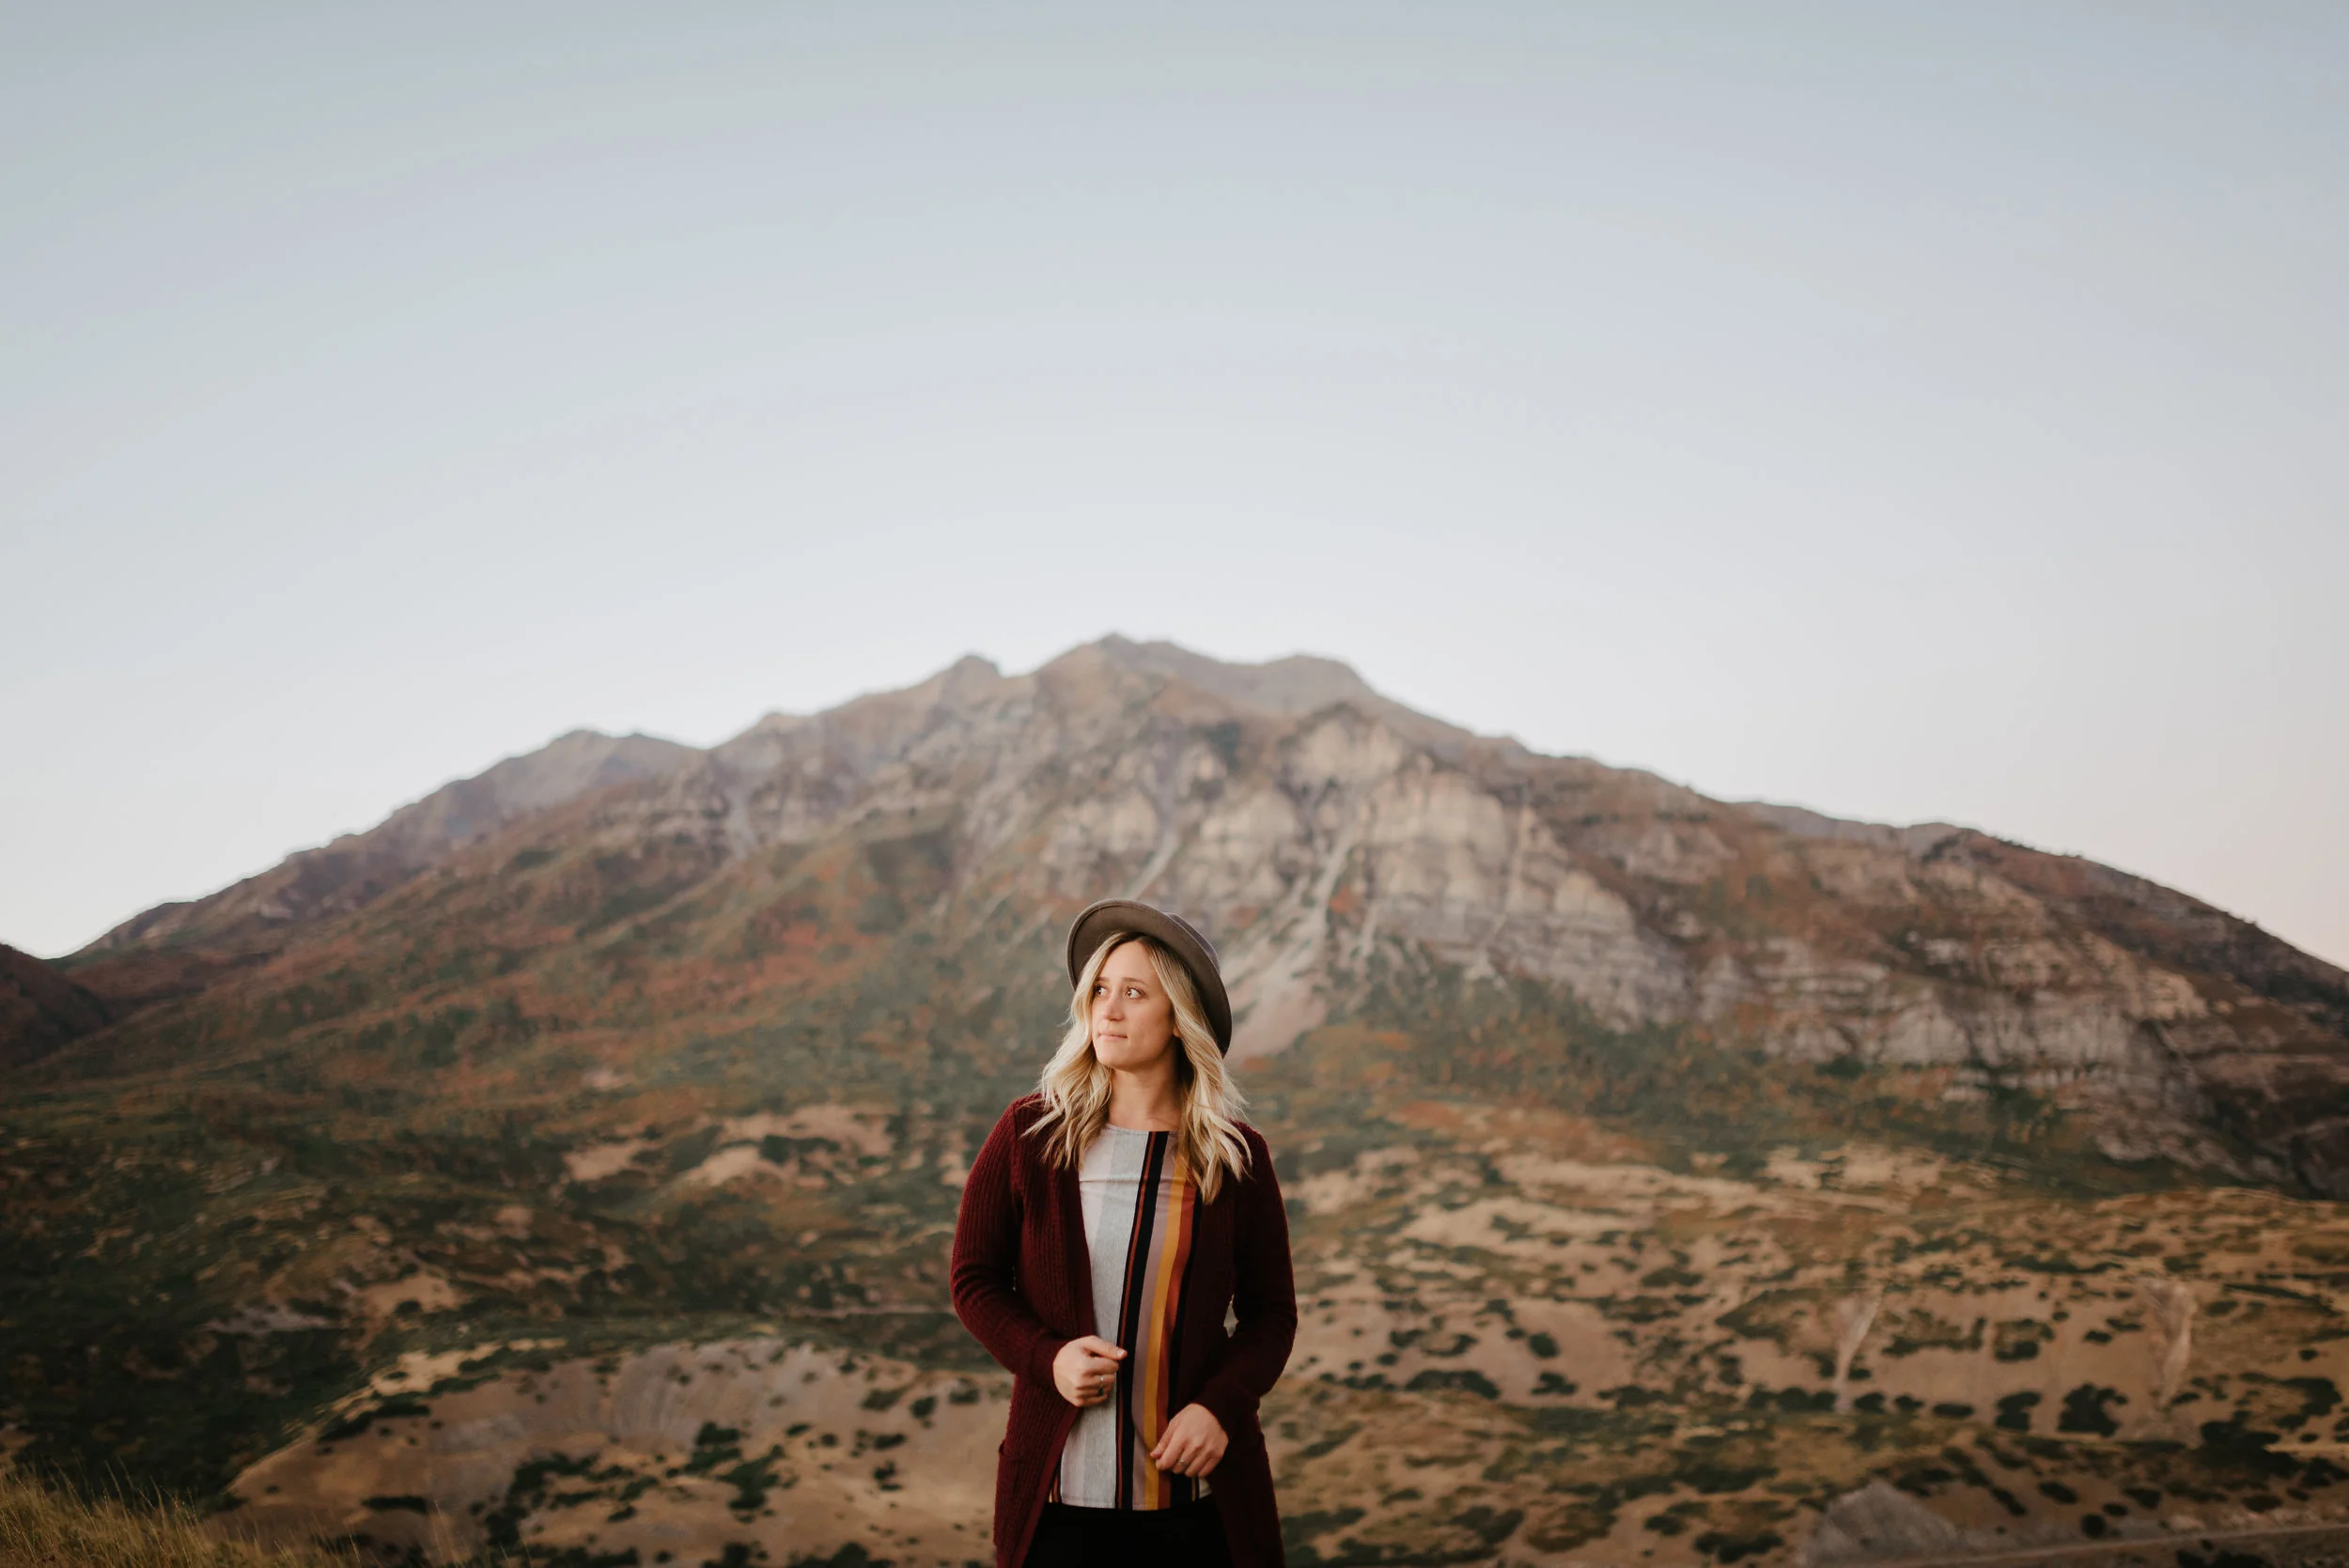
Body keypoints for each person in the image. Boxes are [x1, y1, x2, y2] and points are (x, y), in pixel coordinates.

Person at [951, 898, 1298, 1568]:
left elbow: (1271, 1315)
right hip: (1059, 1508)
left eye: (1134, 993)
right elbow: (974, 1277)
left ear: (1179, 1019)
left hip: (1198, 1508)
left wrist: (1219, 1407)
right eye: (1100, 990)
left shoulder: (1234, 1156)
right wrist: (1046, 1356)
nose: (1107, 1009)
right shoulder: (1031, 1134)